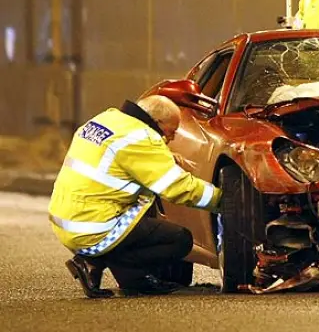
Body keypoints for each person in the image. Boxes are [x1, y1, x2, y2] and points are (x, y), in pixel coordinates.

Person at [48, 95, 222, 298]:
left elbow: (117, 158)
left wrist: (164, 158)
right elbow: (177, 188)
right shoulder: (142, 138)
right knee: (179, 240)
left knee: (143, 211)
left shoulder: (106, 120)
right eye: (171, 131)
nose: (172, 137)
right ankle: (93, 262)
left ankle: (134, 280)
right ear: (158, 122)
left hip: (67, 219)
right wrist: (222, 200)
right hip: (94, 228)